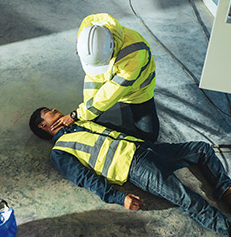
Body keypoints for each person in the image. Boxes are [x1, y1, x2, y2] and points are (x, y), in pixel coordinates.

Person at [29, 107, 231, 237]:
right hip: (134, 167)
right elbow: (86, 178)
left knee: (201, 150)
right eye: (50, 111)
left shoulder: (79, 121)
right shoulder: (59, 152)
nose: (56, 110)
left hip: (145, 149)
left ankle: (230, 192)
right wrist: (119, 198)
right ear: (44, 125)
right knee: (189, 200)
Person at [52, 13, 159, 142]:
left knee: (149, 137)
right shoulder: (87, 41)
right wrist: (87, 111)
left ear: (112, 48)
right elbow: (93, 79)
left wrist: (77, 114)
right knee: (92, 115)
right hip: (117, 85)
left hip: (138, 91)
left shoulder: (133, 53)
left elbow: (112, 92)